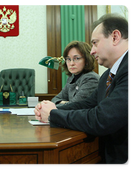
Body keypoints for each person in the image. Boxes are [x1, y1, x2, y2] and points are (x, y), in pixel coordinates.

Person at [34, 13, 129, 164]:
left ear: (115, 37)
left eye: (95, 43)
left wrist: (53, 115)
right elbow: (87, 104)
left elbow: (102, 119)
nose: (92, 51)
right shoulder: (107, 76)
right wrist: (52, 108)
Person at [52, 41, 100, 106]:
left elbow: (74, 106)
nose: (71, 63)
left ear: (86, 60)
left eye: (76, 58)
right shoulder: (71, 78)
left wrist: (66, 103)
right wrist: (66, 103)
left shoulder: (91, 79)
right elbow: (55, 99)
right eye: (68, 59)